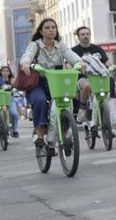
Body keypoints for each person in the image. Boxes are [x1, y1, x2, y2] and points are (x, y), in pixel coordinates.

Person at [19, 18, 85, 150]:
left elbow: (71, 55)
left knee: (66, 100)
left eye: (53, 27)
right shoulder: (35, 45)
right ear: (41, 31)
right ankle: (40, 134)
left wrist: (80, 62)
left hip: (58, 81)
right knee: (40, 101)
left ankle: (65, 128)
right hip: (39, 82)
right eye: (47, 28)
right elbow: (27, 56)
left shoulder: (60, 45)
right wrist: (26, 64)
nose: (51, 30)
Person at [72, 26, 109, 123]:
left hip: (97, 78)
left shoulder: (98, 49)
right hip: (82, 78)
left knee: (108, 86)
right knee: (87, 85)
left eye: (87, 34)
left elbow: (107, 62)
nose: (85, 36)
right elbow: (68, 65)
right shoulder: (73, 51)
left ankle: (106, 118)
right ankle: (82, 108)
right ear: (78, 37)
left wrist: (113, 67)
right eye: (82, 34)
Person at [0, 65, 19, 137]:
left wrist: (16, 89)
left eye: (7, 71)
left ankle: (15, 130)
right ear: (1, 72)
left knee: (14, 114)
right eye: (3, 71)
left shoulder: (12, 80)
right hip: (0, 100)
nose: (5, 72)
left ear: (9, 72)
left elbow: (17, 87)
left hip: (10, 99)